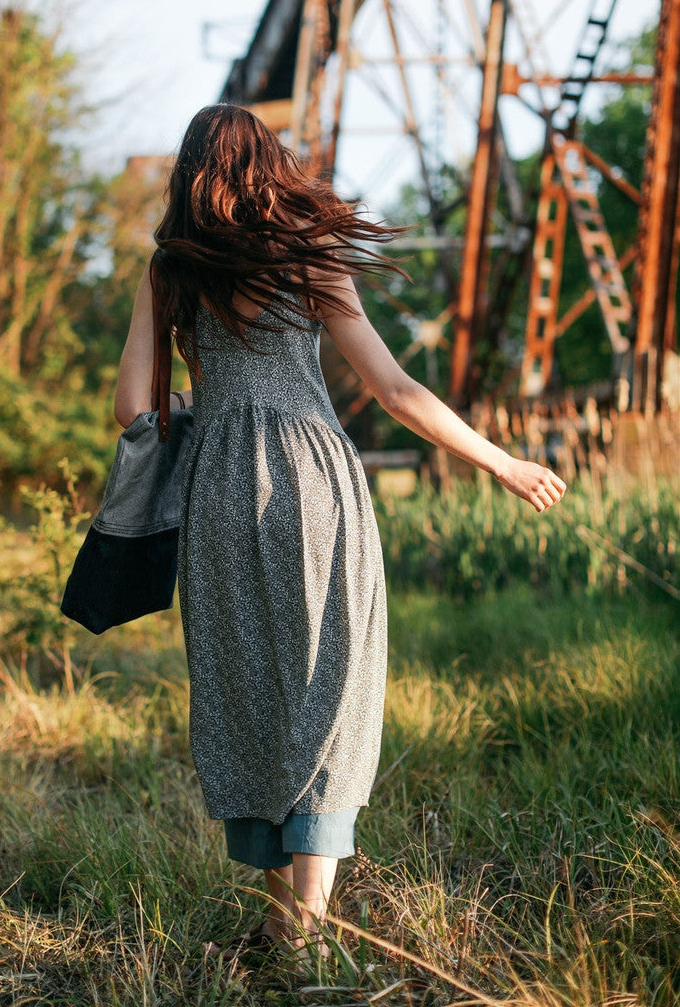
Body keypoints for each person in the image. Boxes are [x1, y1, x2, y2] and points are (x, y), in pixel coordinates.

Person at [113, 104, 566, 962]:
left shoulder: (169, 267)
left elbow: (132, 409)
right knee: (330, 683)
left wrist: (215, 402)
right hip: (314, 482)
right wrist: (500, 462)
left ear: (191, 173)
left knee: (247, 686)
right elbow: (395, 390)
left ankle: (283, 925)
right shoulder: (308, 253)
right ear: (268, 164)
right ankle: (307, 929)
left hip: (218, 486)